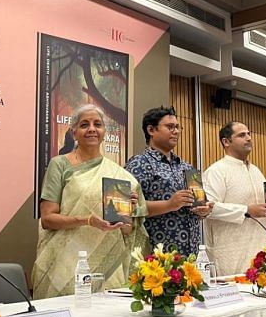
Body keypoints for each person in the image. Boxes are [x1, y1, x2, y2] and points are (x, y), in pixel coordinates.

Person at [32, 104, 148, 299]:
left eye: (98, 124)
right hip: (66, 263)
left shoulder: (118, 176)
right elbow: (47, 219)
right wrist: (87, 220)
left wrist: (126, 214)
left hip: (107, 265)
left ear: (104, 132)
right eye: (84, 124)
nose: (92, 129)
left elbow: (127, 233)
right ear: (74, 132)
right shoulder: (60, 165)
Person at [126, 106, 213, 256]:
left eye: (178, 127)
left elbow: (199, 205)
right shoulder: (138, 163)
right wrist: (168, 205)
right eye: (170, 127)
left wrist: (204, 210)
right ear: (151, 130)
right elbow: (128, 207)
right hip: (157, 259)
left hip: (191, 256)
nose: (176, 131)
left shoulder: (187, 167)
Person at [203, 121, 266, 275]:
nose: (248, 138)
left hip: (261, 253)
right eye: (242, 135)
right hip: (230, 255)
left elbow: (263, 207)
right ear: (226, 142)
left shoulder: (256, 171)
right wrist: (246, 211)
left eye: (249, 134)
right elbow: (208, 209)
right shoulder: (216, 171)